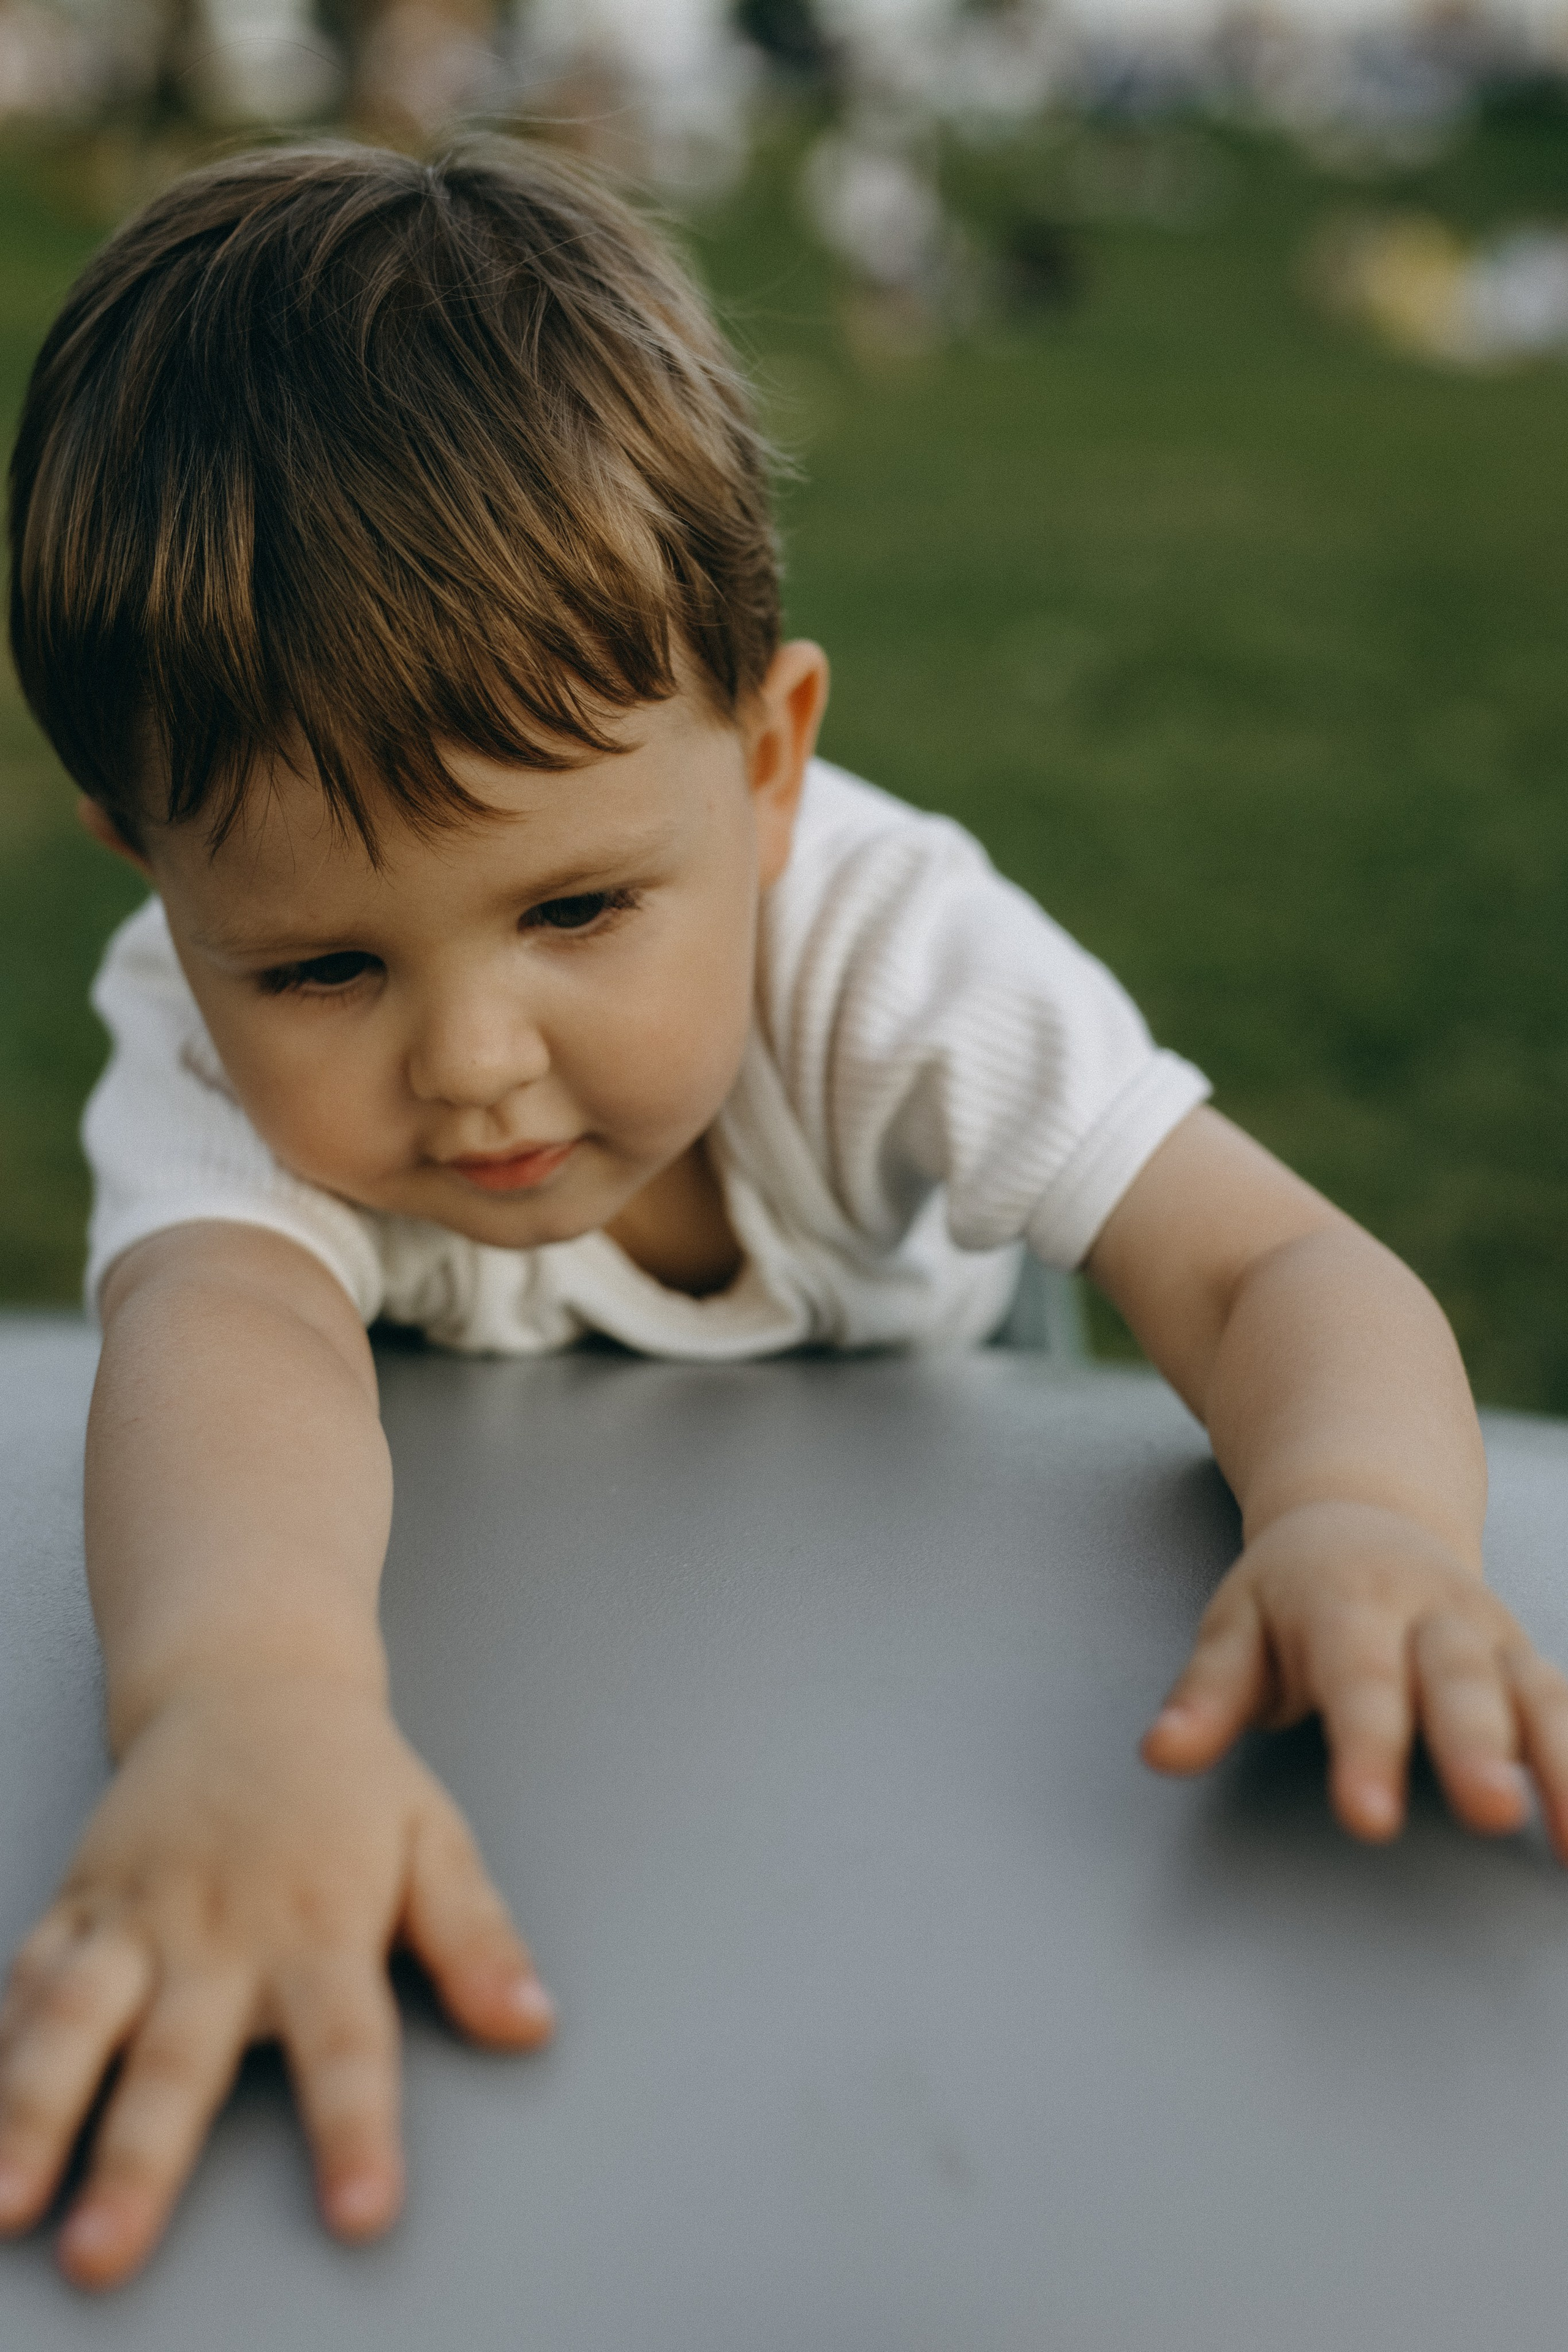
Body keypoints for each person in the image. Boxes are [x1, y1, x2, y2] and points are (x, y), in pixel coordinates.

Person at [3, 140, 1564, 2297]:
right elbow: (223, 1352)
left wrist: (1368, 1519)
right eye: (324, 969)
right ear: (154, 873)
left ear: (766, 761)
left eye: (576, 910)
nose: (471, 1059)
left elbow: (1264, 1260)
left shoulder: (895, 953)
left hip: (942, 1424)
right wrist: (247, 1705)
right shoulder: (194, 1021)